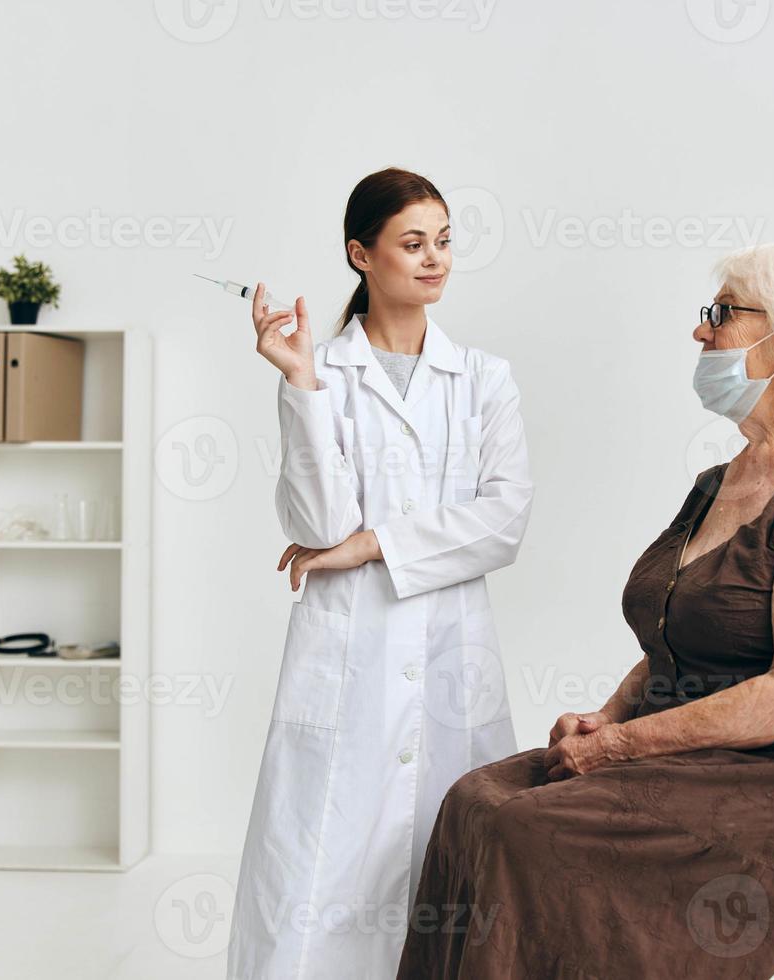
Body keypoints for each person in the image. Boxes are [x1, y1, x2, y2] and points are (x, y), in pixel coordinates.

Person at [396, 242, 774, 978]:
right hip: (703, 746)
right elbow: (686, 638)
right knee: (474, 799)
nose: (700, 333)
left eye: (722, 313)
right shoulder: (726, 477)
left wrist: (618, 748)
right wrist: (612, 716)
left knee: (527, 830)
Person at [228, 167, 535, 980]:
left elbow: (503, 522)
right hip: (347, 663)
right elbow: (318, 525)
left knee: (450, 867)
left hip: (450, 664)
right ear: (361, 255)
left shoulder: (483, 380)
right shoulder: (320, 370)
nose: (434, 260)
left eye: (443, 242)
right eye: (412, 243)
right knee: (319, 870)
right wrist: (297, 383)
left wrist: (371, 547)